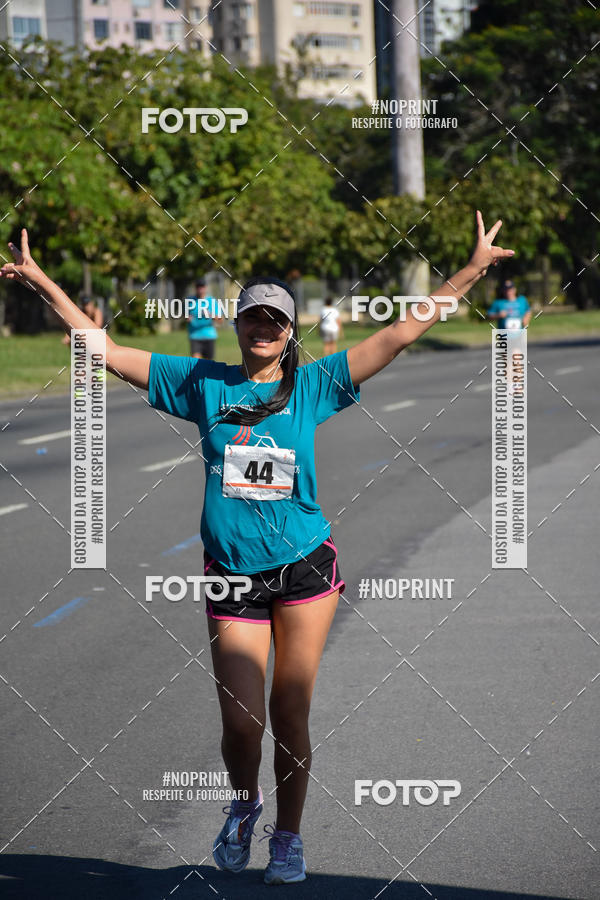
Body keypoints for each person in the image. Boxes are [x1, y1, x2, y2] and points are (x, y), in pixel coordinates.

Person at [1, 212, 513, 884]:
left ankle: (290, 837)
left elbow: (400, 330)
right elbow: (100, 349)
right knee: (243, 723)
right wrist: (42, 281)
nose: (264, 329)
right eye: (253, 318)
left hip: (304, 566)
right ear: (238, 325)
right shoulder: (200, 383)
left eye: (276, 320)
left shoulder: (317, 384)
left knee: (289, 711)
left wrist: (471, 270)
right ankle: (244, 808)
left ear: (290, 330)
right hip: (232, 575)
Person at [188, 277, 222, 359]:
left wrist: (211, 315)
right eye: (198, 286)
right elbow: (183, 315)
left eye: (202, 286)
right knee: (194, 363)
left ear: (205, 287)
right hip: (195, 335)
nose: (200, 289)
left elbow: (220, 320)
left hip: (209, 335)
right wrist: (187, 318)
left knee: (209, 365)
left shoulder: (211, 301)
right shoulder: (189, 300)